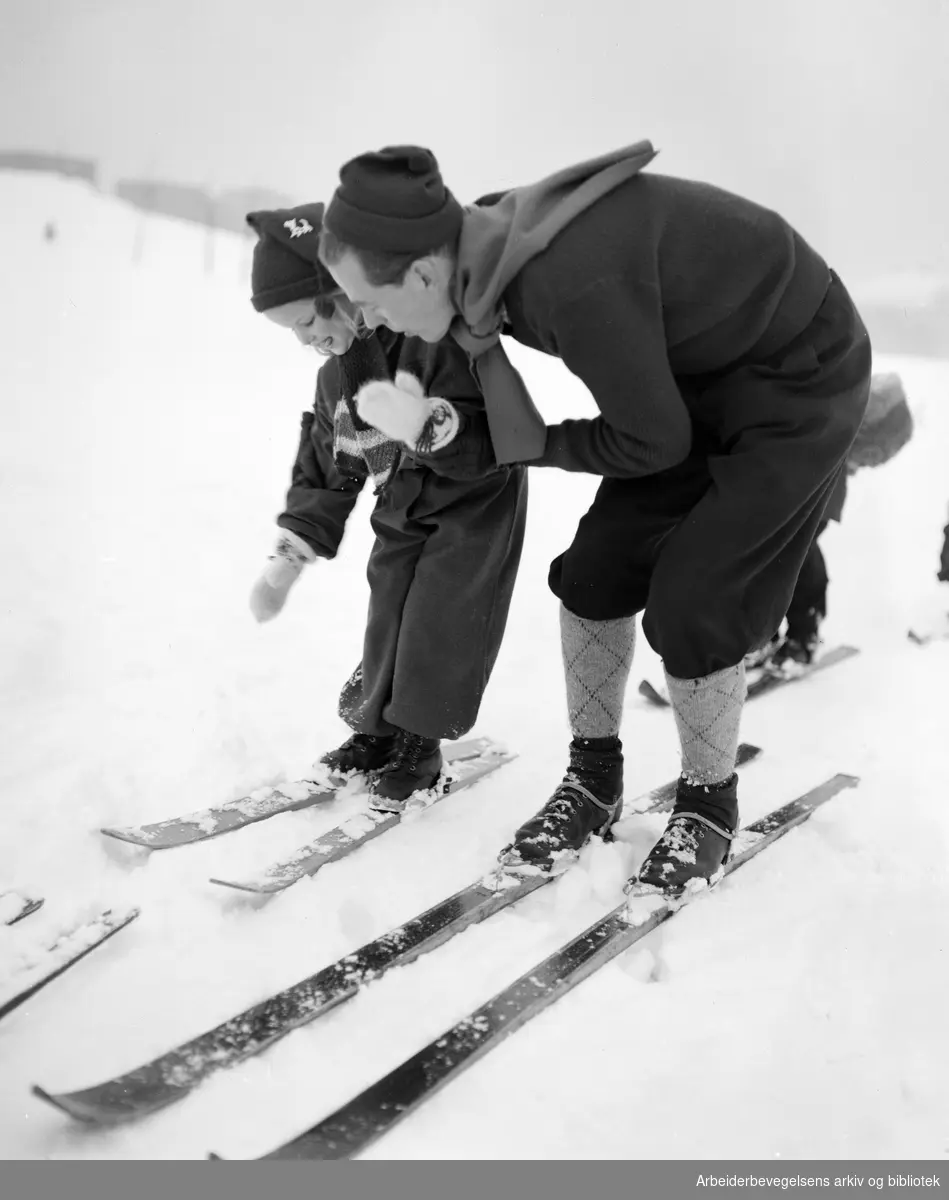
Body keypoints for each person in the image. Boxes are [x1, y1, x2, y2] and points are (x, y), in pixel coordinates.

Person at [316, 142, 871, 893]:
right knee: (593, 574)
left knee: (694, 602)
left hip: (794, 377)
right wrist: (451, 431)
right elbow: (637, 419)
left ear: (421, 273)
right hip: (692, 376)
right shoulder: (474, 257)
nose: (369, 319)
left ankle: (707, 805)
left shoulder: (566, 281)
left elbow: (648, 440)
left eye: (372, 303)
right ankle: (592, 780)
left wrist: (530, 445)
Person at [245, 203, 527, 809]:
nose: (306, 339)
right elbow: (327, 465)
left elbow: (485, 423)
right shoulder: (333, 379)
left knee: (439, 619)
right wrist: (288, 558)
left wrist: (429, 426)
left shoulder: (423, 332)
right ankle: (376, 732)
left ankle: (418, 744)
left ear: (340, 289)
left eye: (305, 319)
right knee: (390, 607)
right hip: (400, 499)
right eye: (291, 331)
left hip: (471, 497)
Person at [754, 371, 914, 669]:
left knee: (796, 554)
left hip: (823, 481)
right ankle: (766, 634)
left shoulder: (856, 411)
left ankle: (802, 636)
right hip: (810, 475)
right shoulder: (843, 406)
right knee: (779, 557)